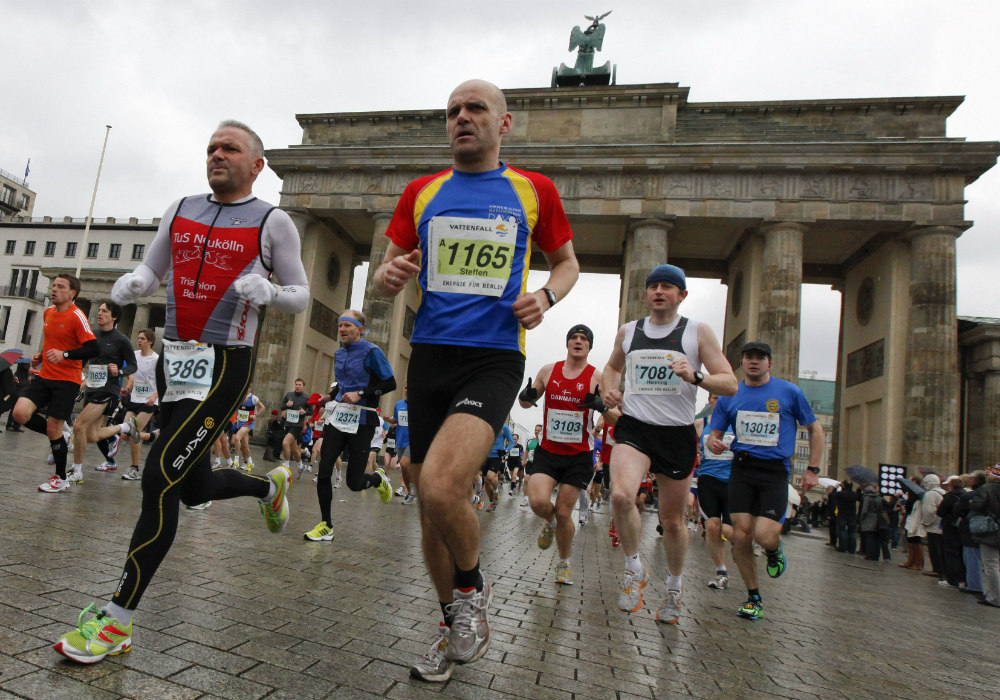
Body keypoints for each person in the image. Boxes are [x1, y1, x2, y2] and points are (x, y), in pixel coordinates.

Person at [53, 120, 308, 663]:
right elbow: (153, 265)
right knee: (191, 488)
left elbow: (301, 295)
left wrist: (269, 291)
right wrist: (139, 282)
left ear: (256, 164)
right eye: (211, 147)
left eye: (230, 148)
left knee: (159, 476)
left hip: (225, 366)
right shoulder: (181, 207)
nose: (217, 154)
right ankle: (269, 491)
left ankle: (118, 619)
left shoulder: (274, 221)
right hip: (176, 361)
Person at [373, 79, 578, 682]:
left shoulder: (533, 190)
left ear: (504, 124)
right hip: (430, 356)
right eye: (453, 111)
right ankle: (450, 624)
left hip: (491, 358)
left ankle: (472, 593)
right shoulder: (421, 191)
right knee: (427, 505)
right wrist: (389, 276)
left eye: (475, 109)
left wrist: (545, 295)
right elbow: (388, 268)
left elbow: (566, 263)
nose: (462, 118)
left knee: (440, 486)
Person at [601, 263, 736, 624]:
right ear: (646, 294)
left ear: (681, 295)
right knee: (620, 495)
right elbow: (611, 368)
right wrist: (608, 390)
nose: (659, 291)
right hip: (635, 428)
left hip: (676, 434)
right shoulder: (629, 332)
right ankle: (633, 569)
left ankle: (674, 589)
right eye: (653, 286)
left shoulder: (697, 332)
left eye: (667, 286)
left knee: (672, 521)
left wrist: (697, 376)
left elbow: (730, 383)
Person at [708, 341, 824, 621]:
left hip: (774, 472)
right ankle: (753, 597)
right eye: (749, 357)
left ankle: (773, 550)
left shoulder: (789, 392)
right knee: (741, 535)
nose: (754, 362)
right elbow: (714, 436)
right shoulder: (729, 395)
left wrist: (813, 469)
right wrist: (715, 443)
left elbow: (815, 429)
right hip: (742, 469)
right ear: (741, 362)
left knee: (764, 535)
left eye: (761, 357)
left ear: (770, 363)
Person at [518, 324, 602, 585]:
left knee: (566, 512)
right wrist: (526, 396)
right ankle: (550, 522)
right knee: (537, 501)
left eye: (584, 339)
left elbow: (611, 415)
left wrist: (600, 406)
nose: (578, 341)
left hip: (578, 456)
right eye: (574, 337)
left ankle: (564, 563)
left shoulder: (596, 376)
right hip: (548, 452)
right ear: (567, 343)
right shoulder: (548, 370)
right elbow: (526, 402)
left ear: (589, 346)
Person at [304, 310, 396, 542]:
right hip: (338, 418)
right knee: (324, 470)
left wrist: (361, 394)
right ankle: (326, 525)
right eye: (340, 325)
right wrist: (330, 395)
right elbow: (343, 385)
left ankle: (377, 479)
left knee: (354, 483)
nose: (342, 329)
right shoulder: (339, 353)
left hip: (363, 421)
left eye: (347, 325)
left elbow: (390, 382)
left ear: (360, 329)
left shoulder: (372, 352)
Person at [12, 274, 98, 492]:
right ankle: (63, 435)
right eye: (54, 285)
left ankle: (60, 479)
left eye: (60, 287)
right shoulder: (48, 312)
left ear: (72, 293)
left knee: (53, 428)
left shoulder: (77, 316)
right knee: (19, 413)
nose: (54, 289)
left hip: (67, 381)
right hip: (45, 376)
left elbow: (93, 349)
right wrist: (40, 356)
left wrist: (65, 354)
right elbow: (54, 341)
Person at [64, 301, 137, 479]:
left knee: (79, 425)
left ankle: (77, 471)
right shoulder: (91, 335)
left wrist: (119, 371)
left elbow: (133, 366)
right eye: (99, 310)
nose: (99, 313)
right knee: (92, 435)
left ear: (114, 317)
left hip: (108, 389)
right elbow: (82, 359)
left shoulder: (121, 340)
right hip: (92, 388)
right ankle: (125, 427)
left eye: (104, 311)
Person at [91, 328, 160, 481]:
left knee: (133, 432)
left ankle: (134, 469)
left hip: (149, 401)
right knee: (125, 433)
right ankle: (153, 435)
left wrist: (154, 396)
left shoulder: (156, 359)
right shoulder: (134, 356)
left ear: (150, 341)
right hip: (134, 399)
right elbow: (132, 375)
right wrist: (127, 390)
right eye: (138, 338)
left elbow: (164, 383)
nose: (139, 341)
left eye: (143, 338)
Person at [695, 393, 735, 590]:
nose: (719, 401)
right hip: (708, 480)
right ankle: (721, 572)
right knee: (712, 527)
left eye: (723, 397)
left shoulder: (737, 423)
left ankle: (748, 545)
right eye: (715, 397)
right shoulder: (701, 423)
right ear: (709, 400)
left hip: (733, 482)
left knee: (729, 530)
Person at [969, 464, 1000, 607]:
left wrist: (971, 503)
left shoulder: (988, 488)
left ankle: (994, 597)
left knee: (990, 564)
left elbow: (977, 506)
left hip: (991, 530)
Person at [280, 378, 310, 476]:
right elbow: (281, 406)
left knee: (285, 443)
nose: (297, 386)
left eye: (300, 385)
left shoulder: (306, 398)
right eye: (296, 384)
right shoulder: (289, 395)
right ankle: (301, 466)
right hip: (288, 424)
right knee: (294, 449)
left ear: (303, 386)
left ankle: (286, 465)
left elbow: (312, 411)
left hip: (298, 426)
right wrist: (287, 405)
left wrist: (305, 412)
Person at [231, 388, 265, 472]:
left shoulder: (253, 398)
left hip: (248, 423)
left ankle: (236, 461)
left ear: (250, 389)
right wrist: (241, 402)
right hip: (239, 422)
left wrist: (256, 415)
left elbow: (262, 407)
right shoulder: (240, 396)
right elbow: (234, 408)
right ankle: (249, 462)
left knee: (237, 438)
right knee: (244, 445)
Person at [481, 422, 514, 511]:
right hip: (484, 456)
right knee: (487, 482)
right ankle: (492, 503)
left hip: (496, 456)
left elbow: (512, 442)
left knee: (490, 476)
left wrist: (506, 450)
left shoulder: (504, 427)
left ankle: (496, 490)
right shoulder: (485, 424)